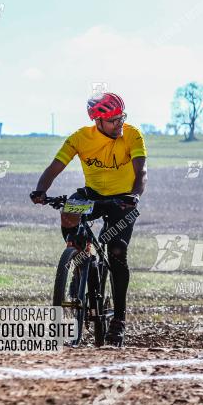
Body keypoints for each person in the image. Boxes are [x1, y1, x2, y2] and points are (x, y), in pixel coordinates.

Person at [30, 92, 146, 346]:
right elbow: (54, 167)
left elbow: (142, 172)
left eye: (121, 118)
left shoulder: (132, 134)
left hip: (124, 199)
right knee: (69, 210)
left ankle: (119, 320)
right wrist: (41, 190)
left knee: (116, 251)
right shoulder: (81, 138)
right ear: (98, 121)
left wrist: (135, 196)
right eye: (113, 120)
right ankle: (80, 257)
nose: (119, 124)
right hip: (93, 194)